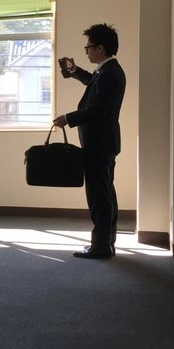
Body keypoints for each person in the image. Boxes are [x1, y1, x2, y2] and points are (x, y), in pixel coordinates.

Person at [53, 23, 126, 259]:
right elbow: (93, 83)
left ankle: (101, 246)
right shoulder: (107, 71)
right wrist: (75, 71)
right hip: (104, 143)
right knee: (105, 193)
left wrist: (68, 118)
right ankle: (107, 242)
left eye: (89, 47)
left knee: (99, 196)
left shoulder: (109, 74)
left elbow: (97, 110)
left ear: (101, 48)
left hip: (99, 144)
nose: (86, 51)